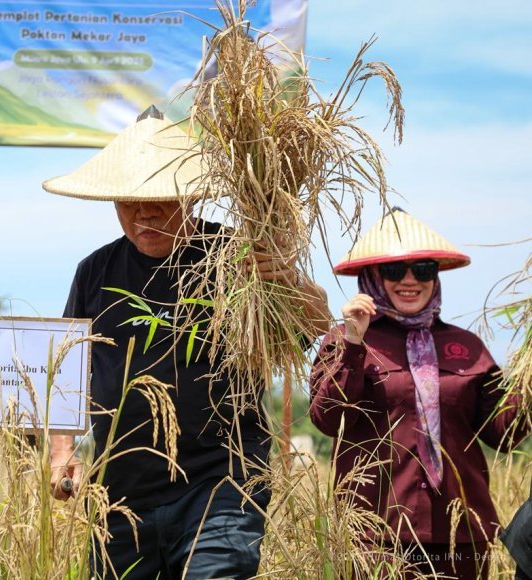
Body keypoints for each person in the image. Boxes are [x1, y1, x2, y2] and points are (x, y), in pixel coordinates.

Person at [43, 107, 330, 579]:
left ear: (192, 194)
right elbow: (68, 371)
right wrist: (62, 453)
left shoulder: (236, 257)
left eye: (161, 196)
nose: (145, 212)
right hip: (121, 492)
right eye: (129, 200)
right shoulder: (95, 271)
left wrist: (291, 280)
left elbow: (317, 322)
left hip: (221, 483)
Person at [309, 208, 529, 578]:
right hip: (376, 538)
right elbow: (327, 420)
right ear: (372, 276)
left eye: (423, 269)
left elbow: (505, 434)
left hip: (460, 538)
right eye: (395, 270)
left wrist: (527, 379)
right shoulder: (345, 341)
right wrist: (353, 343)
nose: (410, 280)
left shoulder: (468, 347)